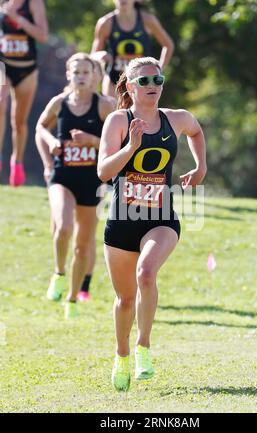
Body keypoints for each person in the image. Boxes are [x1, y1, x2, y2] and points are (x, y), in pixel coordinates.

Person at [97, 56, 207, 391]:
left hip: (160, 219)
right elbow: (103, 172)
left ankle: (144, 346)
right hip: (122, 221)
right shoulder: (118, 121)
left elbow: (196, 130)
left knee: (146, 273)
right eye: (144, 81)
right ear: (130, 87)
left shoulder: (175, 119)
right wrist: (131, 145)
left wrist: (201, 167)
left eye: (157, 81)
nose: (152, 87)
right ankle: (122, 355)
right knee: (125, 299)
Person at [36, 53, 115, 319]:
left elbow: (119, 140)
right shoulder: (60, 103)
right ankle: (59, 273)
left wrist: (92, 141)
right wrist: (50, 147)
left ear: (96, 76)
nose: (81, 76)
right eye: (76, 72)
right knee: (64, 225)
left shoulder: (104, 107)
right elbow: (40, 127)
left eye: (86, 72)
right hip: (62, 177)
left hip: (91, 182)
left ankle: (71, 299)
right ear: (68, 75)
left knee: (83, 246)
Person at [0, 0, 48, 186]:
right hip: (4, 64)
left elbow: (42, 36)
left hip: (26, 69)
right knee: (1, 101)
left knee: (19, 122)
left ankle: (16, 161)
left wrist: (17, 18)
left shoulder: (34, 3)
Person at [91, 0, 174, 97]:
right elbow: (93, 56)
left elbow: (168, 45)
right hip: (114, 81)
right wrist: (102, 55)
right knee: (112, 110)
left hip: (143, 81)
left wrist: (159, 69)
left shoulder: (147, 20)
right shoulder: (105, 23)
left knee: (141, 112)